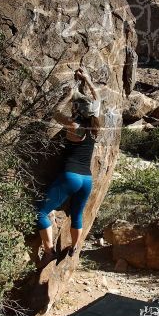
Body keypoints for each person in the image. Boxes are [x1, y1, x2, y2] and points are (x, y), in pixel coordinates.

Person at [35, 68, 101, 264]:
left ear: (77, 110)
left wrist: (69, 95)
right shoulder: (96, 126)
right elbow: (97, 101)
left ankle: (48, 252)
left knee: (40, 212)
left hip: (70, 176)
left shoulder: (74, 126)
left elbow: (56, 113)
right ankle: (74, 248)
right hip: (87, 179)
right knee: (77, 214)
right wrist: (88, 80)